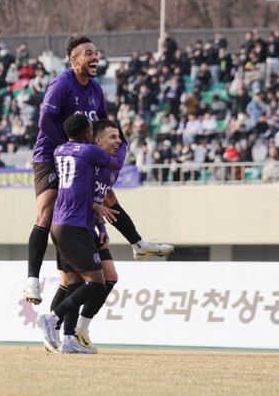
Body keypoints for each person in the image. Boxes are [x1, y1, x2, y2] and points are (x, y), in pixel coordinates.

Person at [24, 36, 173, 305]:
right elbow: (45, 122)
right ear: (74, 60)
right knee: (46, 210)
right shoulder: (61, 84)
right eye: (88, 53)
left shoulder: (95, 88)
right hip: (51, 154)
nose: (95, 57)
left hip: (82, 155)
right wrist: (68, 149)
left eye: (96, 52)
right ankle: (32, 281)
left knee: (106, 196)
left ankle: (138, 244)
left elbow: (103, 122)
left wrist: (115, 141)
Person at [36, 114, 126, 354]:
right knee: (96, 284)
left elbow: (84, 191)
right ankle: (52, 318)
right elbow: (116, 164)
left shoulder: (60, 150)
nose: (116, 141)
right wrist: (124, 143)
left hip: (64, 223)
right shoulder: (89, 152)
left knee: (76, 283)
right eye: (112, 137)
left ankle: (69, 338)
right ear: (89, 133)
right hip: (74, 226)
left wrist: (100, 224)